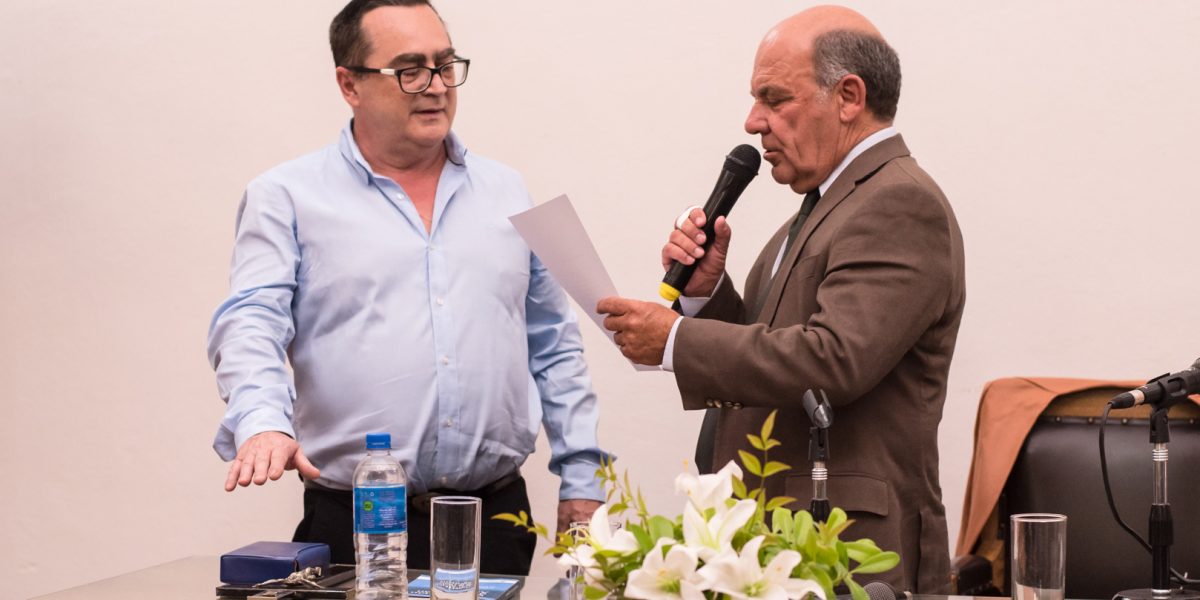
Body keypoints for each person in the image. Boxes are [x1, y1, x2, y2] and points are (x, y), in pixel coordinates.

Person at [206, 0, 606, 575]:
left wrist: (583, 478)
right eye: (410, 70)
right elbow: (249, 323)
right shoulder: (287, 197)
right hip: (355, 522)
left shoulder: (507, 191)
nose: (436, 86)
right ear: (350, 84)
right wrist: (263, 420)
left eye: (445, 65)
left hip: (494, 519)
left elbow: (553, 343)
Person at [596, 6, 964, 593]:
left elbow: (833, 361)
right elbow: (771, 353)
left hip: (847, 551)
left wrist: (675, 340)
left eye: (774, 98)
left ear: (848, 97)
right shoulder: (826, 206)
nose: (752, 122)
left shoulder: (898, 203)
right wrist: (708, 296)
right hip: (784, 541)